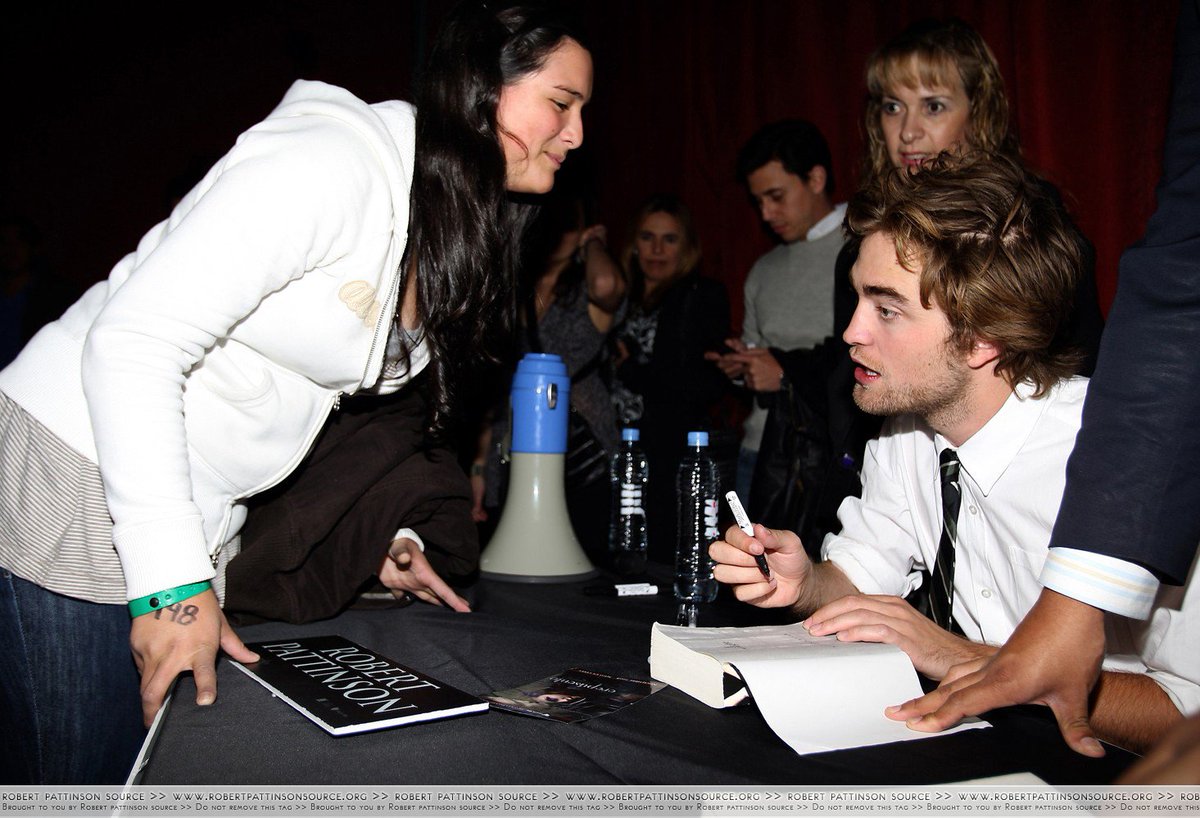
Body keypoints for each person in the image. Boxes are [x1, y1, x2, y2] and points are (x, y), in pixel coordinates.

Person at [0, 1, 592, 785]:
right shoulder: (333, 160)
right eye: (560, 102)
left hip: (186, 511)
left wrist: (380, 543)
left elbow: (299, 401)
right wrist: (175, 589)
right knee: (77, 780)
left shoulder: (431, 222)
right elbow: (134, 343)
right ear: (480, 88)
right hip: (80, 470)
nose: (577, 135)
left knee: (141, 776)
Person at [710, 153, 1196, 755]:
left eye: (887, 309)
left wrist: (963, 657)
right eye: (860, 298)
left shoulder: (1134, 457)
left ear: (984, 336)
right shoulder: (903, 434)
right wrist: (805, 581)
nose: (852, 331)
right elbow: (862, 579)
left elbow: (1187, 711)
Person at [886, 0, 1200, 765]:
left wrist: (987, 649)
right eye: (891, 106)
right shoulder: (905, 438)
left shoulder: (1080, 438)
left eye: (934, 104)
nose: (909, 128)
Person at [703, 121, 849, 547]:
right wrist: (743, 366)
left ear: (816, 178)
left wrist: (784, 372)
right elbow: (761, 355)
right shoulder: (763, 270)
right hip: (756, 450)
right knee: (751, 595)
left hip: (823, 461)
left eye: (776, 196)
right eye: (758, 201)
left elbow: (857, 361)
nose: (766, 214)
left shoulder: (862, 247)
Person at [474, 181, 625, 558]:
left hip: (582, 439)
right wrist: (477, 466)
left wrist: (593, 242)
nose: (558, 236)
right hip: (512, 433)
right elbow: (489, 386)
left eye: (568, 226)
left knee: (583, 548)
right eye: (551, 225)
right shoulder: (509, 290)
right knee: (511, 550)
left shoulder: (584, 291)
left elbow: (607, 284)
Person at [611, 194, 731, 563]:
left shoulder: (700, 295)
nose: (657, 249)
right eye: (647, 237)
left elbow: (700, 383)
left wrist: (632, 370)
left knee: (663, 553)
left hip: (670, 448)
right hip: (614, 440)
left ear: (688, 247)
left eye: (670, 239)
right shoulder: (619, 295)